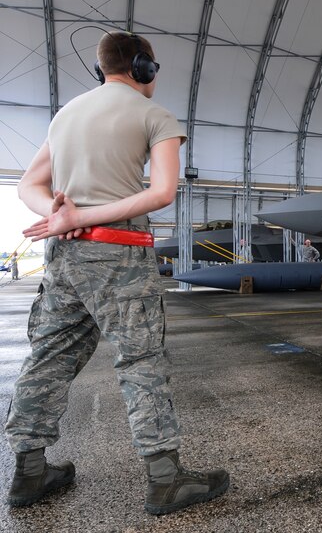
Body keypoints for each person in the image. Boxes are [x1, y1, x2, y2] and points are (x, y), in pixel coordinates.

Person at [5, 31, 228, 514]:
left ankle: (28, 470)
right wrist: (82, 217)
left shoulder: (65, 116)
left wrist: (60, 216)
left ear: (100, 69)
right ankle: (166, 479)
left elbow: (29, 185)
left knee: (48, 357)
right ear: (144, 67)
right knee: (140, 362)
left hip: (64, 259)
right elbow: (163, 191)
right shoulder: (155, 115)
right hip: (119, 256)